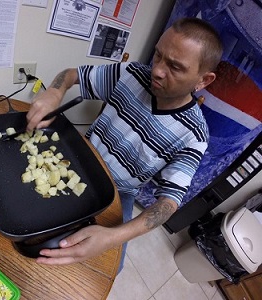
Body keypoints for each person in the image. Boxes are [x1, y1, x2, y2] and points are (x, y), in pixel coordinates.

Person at [26, 17, 223, 268]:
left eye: (175, 67)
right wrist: (54, 92)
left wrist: (111, 237)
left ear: (203, 80)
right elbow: (70, 75)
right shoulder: (131, 74)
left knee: (112, 265)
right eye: (158, 56)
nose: (158, 70)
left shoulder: (194, 135)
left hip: (120, 192)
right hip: (78, 159)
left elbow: (168, 204)